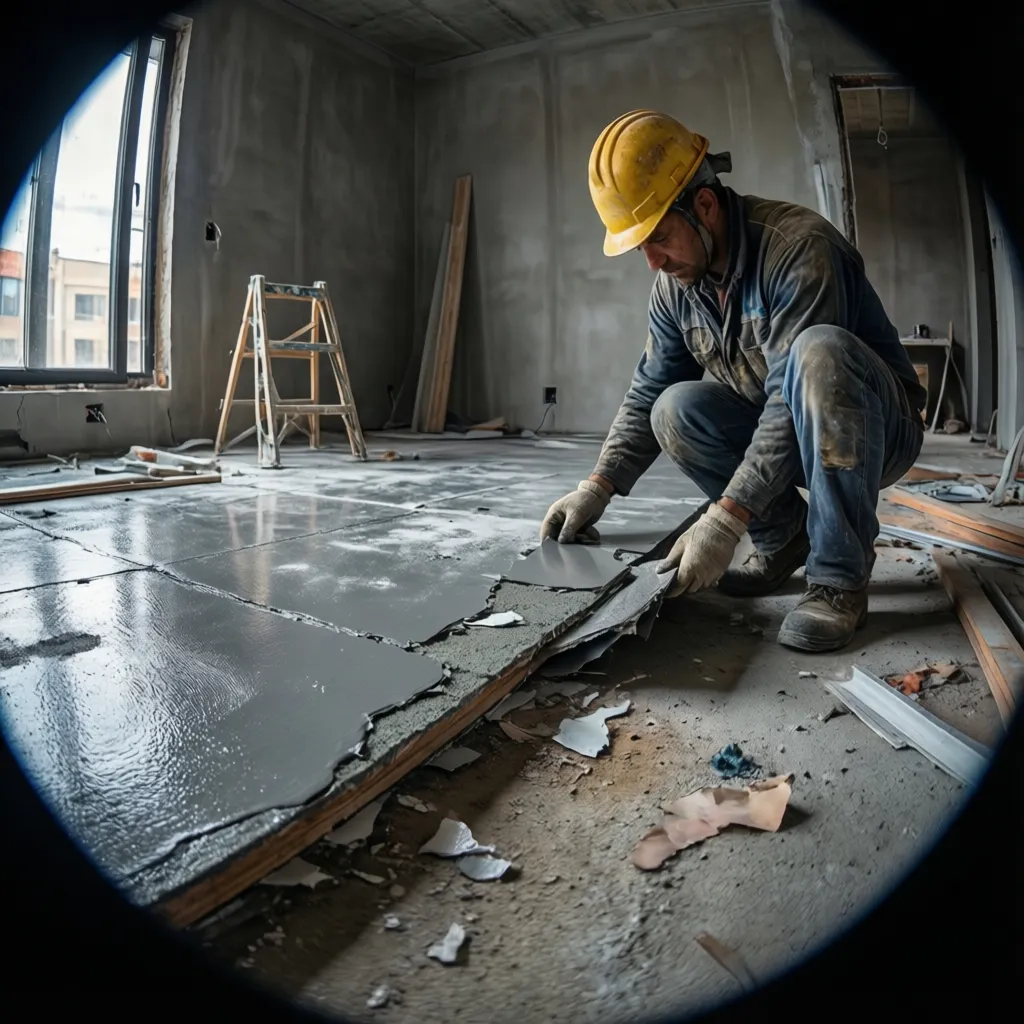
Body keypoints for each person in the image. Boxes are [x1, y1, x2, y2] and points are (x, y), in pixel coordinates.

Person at [540, 109, 926, 653]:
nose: (651, 261)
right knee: (673, 408)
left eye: (658, 237)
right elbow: (650, 384)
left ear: (704, 205)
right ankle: (783, 537)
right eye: (639, 247)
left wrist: (725, 518)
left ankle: (839, 581)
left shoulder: (798, 249)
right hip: (787, 429)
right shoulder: (677, 285)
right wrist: (596, 487)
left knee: (818, 352)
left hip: (872, 432)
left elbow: (787, 398)